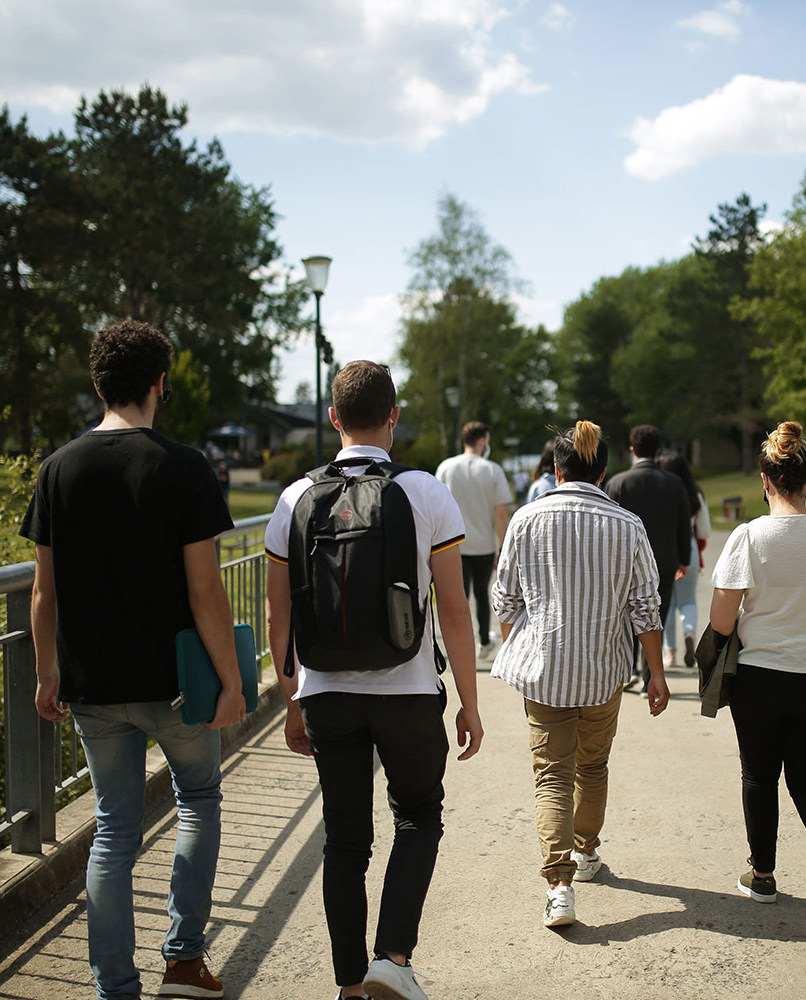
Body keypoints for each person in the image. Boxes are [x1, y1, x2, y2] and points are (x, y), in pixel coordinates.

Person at [20, 319, 245, 1000]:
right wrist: (231, 683)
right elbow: (205, 590)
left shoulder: (57, 469)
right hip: (176, 684)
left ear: (98, 383)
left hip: (92, 684)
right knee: (199, 799)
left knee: (114, 828)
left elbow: (42, 591)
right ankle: (183, 961)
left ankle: (115, 987)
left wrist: (47, 672)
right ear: (159, 383)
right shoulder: (183, 468)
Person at [265, 360, 483, 1000]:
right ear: (394, 417)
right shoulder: (424, 492)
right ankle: (392, 957)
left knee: (346, 841)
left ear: (334, 418)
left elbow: (279, 612)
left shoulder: (295, 498)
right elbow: (452, 609)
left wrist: (291, 698)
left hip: (326, 689)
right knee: (417, 819)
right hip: (409, 690)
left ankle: (349, 985)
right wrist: (469, 702)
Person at [489, 420, 669, 929]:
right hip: (604, 673)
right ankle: (587, 855)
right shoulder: (628, 525)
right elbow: (645, 608)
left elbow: (505, 600)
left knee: (552, 775)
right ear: (605, 471)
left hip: (544, 671)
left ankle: (559, 886)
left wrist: (519, 645)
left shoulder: (527, 520)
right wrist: (656, 674)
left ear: (555, 468)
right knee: (592, 768)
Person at [708, 420, 806, 931]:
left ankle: (764, 876)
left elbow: (722, 622)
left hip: (762, 680)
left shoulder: (748, 537)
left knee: (759, 776)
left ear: (765, 480)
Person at [604, 425, 691, 690]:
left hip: (624, 561)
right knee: (656, 616)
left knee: (625, 615)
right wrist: (684, 559)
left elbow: (606, 525)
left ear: (632, 451)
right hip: (663, 560)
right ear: (658, 451)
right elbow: (683, 524)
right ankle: (647, 676)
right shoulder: (674, 483)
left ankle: (626, 669)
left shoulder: (618, 483)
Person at [435, 421, 513, 657]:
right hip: (483, 545)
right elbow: (500, 513)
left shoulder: (446, 468)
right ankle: (484, 640)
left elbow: (437, 505)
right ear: (481, 441)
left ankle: (460, 641)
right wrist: (504, 546)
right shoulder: (492, 470)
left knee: (459, 596)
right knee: (482, 593)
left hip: (453, 544)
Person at [658, 452, 710, 668]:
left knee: (667, 605)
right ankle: (689, 632)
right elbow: (705, 530)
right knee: (688, 601)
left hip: (666, 548)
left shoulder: (661, 491)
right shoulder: (695, 493)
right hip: (688, 548)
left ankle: (670, 653)